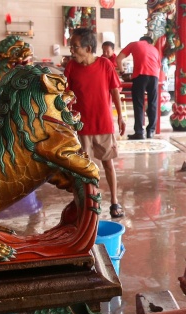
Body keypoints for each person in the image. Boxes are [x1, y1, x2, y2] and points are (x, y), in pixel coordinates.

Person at [64, 28, 126, 218]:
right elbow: (65, 95)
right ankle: (87, 204)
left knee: (108, 164)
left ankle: (114, 202)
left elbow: (115, 90)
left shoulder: (105, 65)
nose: (72, 51)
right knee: (84, 168)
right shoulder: (71, 67)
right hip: (81, 127)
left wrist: (121, 116)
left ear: (88, 48)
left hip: (103, 124)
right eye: (71, 46)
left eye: (75, 47)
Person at [116, 36, 160, 140]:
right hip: (154, 76)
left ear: (141, 40)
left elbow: (118, 59)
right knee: (153, 103)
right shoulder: (154, 49)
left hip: (140, 76)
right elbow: (158, 66)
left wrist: (122, 73)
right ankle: (151, 131)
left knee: (139, 104)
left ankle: (139, 132)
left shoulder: (134, 44)